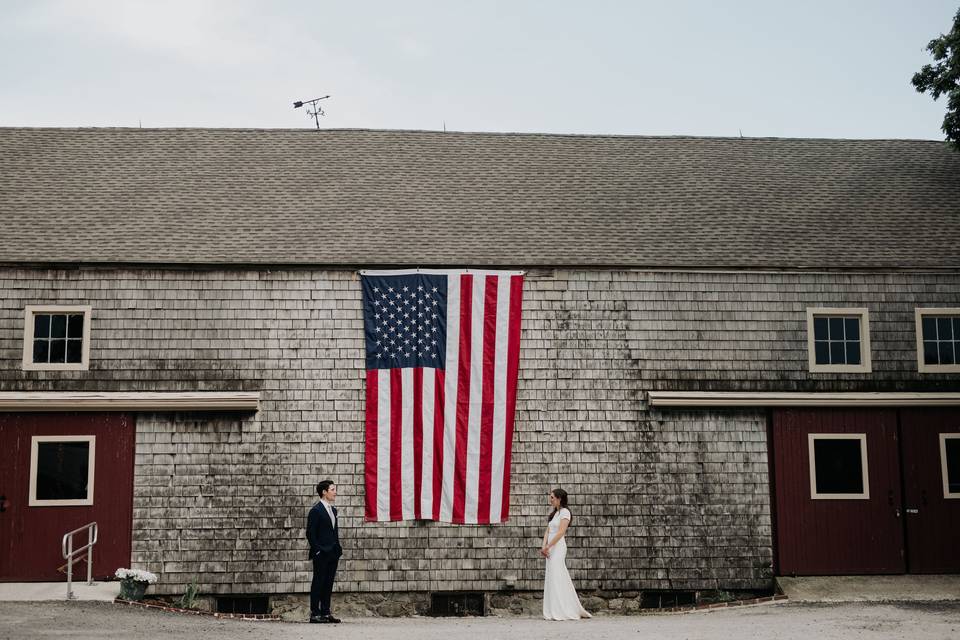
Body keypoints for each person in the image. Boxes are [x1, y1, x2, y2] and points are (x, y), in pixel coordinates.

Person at [541, 488, 592, 621]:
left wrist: (549, 546)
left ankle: (564, 608)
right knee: (552, 576)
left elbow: (560, 532)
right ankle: (553, 608)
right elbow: (548, 531)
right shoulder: (554, 514)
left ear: (559, 499)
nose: (550, 499)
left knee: (558, 574)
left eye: (552, 497)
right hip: (550, 547)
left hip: (557, 547)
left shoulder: (565, 513)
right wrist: (543, 546)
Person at [306, 479, 343, 623]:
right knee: (318, 582)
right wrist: (318, 551)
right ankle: (315, 614)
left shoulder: (333, 510)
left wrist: (337, 548)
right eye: (333, 489)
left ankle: (326, 612)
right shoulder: (316, 511)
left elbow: (334, 531)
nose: (335, 492)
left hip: (333, 552)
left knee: (328, 583)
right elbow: (310, 533)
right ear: (324, 492)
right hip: (321, 553)